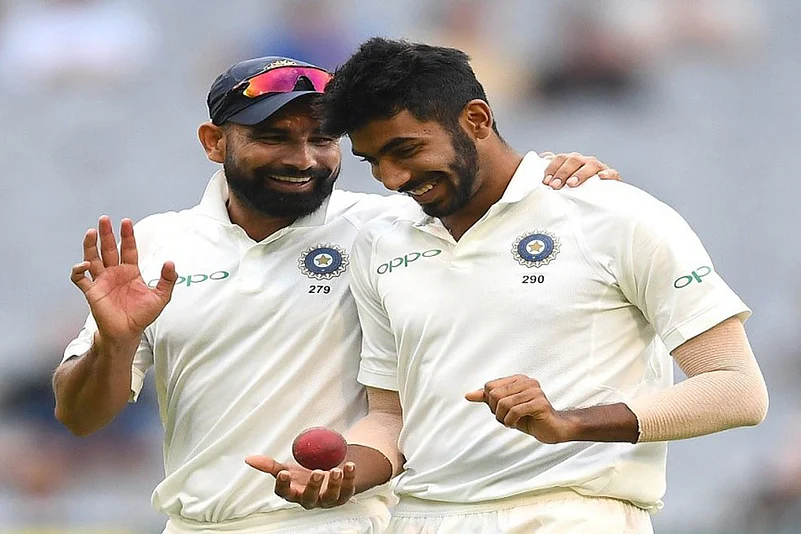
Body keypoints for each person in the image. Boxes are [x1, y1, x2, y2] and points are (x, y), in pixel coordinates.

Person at [51, 55, 617, 534]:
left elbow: (498, 197)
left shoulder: (394, 226)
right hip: (197, 525)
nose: (303, 159)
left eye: (321, 139)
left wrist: (559, 174)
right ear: (214, 142)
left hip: (348, 520)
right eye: (274, 138)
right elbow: (78, 418)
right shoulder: (157, 244)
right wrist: (114, 343)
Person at [246, 39, 769, 533]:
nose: (392, 178)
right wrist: (340, 476)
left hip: (568, 514)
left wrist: (570, 423)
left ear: (476, 119)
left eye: (405, 149)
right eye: (374, 161)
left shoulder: (612, 214)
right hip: (421, 518)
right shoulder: (381, 243)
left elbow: (737, 389)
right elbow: (391, 416)